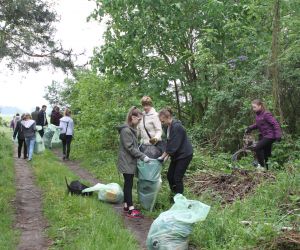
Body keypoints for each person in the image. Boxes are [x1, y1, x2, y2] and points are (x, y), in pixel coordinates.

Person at [117, 106, 150, 218]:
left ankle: (126, 206)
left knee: (128, 183)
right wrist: (142, 156)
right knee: (128, 184)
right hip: (126, 161)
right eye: (139, 119)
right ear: (133, 117)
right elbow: (130, 148)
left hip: (129, 161)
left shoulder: (131, 129)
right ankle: (131, 209)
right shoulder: (126, 130)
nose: (139, 122)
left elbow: (133, 145)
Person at [157, 108, 193, 200]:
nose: (162, 123)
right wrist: (164, 157)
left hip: (184, 155)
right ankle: (174, 195)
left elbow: (173, 146)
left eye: (162, 121)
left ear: (168, 117)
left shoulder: (177, 127)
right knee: (170, 176)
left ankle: (179, 200)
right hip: (177, 155)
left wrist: (162, 157)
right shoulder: (167, 127)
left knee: (177, 178)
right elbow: (169, 143)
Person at [245, 99, 282, 169]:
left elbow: (275, 124)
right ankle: (267, 170)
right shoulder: (258, 115)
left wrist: (278, 135)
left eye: (254, 107)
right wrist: (250, 128)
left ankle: (261, 167)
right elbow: (258, 124)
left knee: (258, 148)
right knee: (266, 154)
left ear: (260, 106)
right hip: (264, 136)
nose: (253, 109)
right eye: (253, 107)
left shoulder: (266, 114)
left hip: (270, 136)